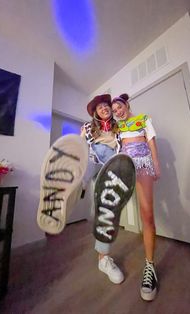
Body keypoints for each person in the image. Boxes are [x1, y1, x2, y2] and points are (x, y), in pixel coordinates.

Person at [111, 93, 161, 301]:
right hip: (124, 168)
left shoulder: (143, 119)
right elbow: (115, 149)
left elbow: (150, 140)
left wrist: (156, 164)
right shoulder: (116, 129)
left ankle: (150, 267)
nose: (117, 112)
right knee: (111, 210)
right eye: (113, 111)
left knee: (147, 214)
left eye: (119, 107)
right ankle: (104, 258)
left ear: (127, 105)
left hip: (143, 165)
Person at [81, 94, 134, 285]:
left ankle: (103, 260)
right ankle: (77, 183)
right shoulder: (88, 129)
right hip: (96, 168)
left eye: (106, 105)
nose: (104, 108)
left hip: (115, 172)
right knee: (107, 213)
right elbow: (82, 151)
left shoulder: (118, 127)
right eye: (100, 106)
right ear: (95, 112)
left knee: (108, 214)